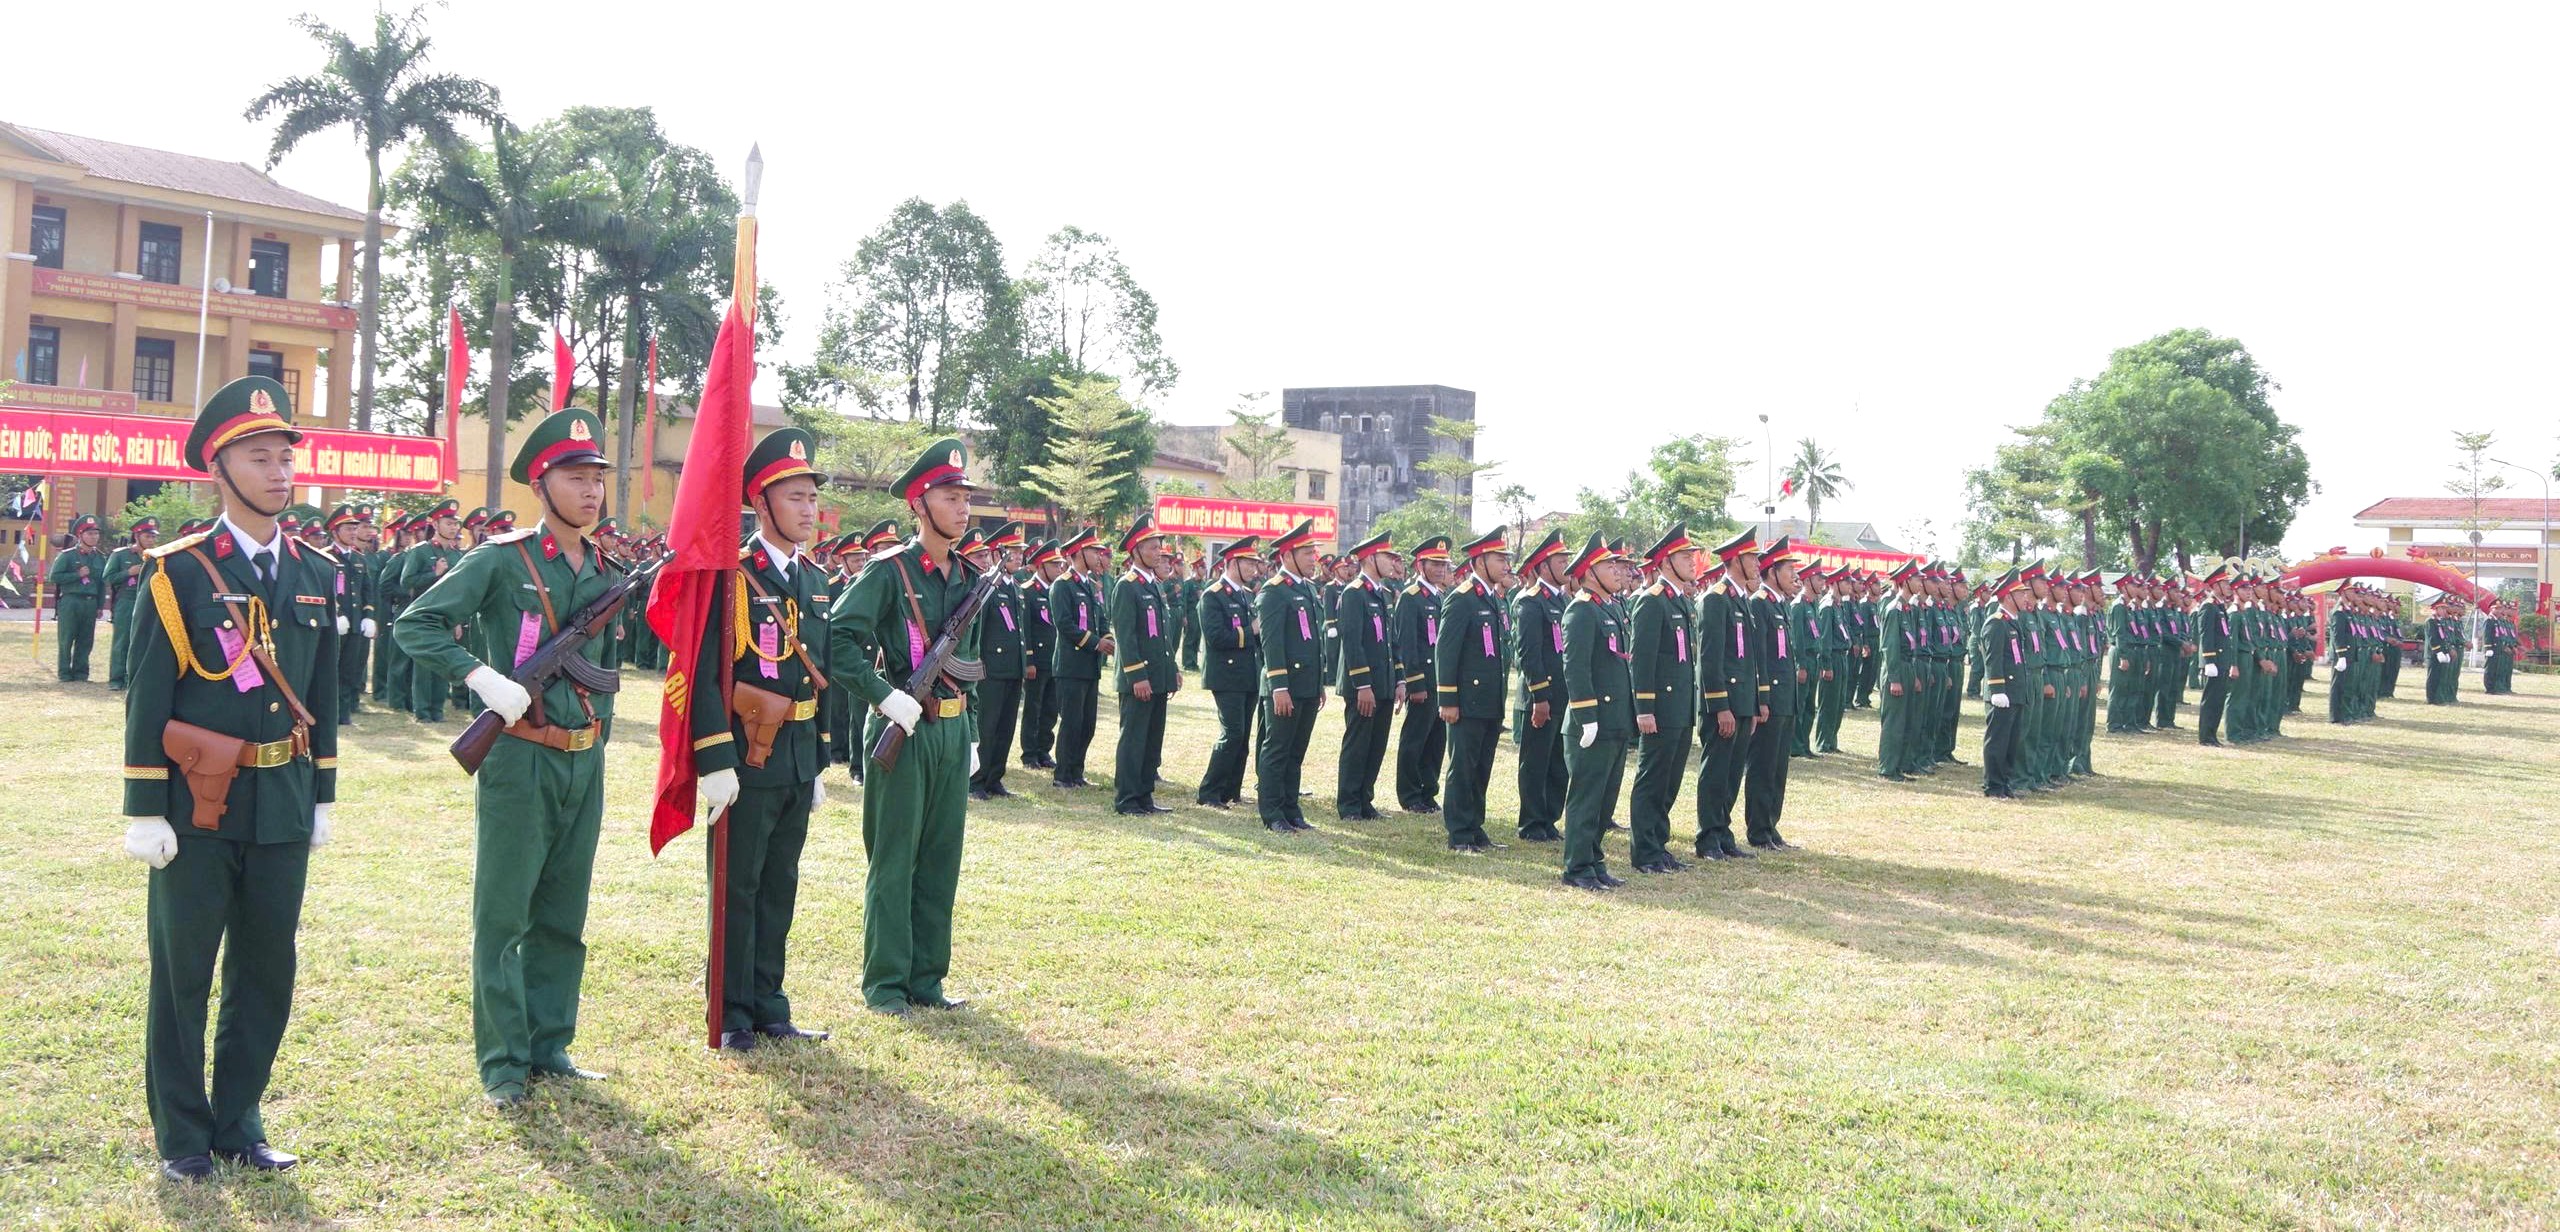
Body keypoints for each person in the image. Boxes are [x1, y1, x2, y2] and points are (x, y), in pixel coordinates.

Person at [119, 376, 338, 1182]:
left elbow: (323, 693)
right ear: (218, 469)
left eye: (285, 457)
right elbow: (148, 695)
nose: (279, 473)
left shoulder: (316, 569)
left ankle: (240, 1122)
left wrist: (323, 792)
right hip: (196, 805)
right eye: (259, 458)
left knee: (266, 968)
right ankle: (182, 1135)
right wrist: (145, 806)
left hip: (281, 801)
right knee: (184, 972)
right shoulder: (178, 572)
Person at [396, 409, 622, 1106]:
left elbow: (605, 670)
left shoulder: (609, 569)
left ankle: (550, 1044)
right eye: (575, 478)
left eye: (597, 479)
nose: (591, 491)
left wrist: (599, 734)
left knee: (564, 910)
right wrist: (480, 678)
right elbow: (417, 624)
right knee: (504, 915)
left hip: (583, 759)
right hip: (519, 757)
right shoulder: (501, 559)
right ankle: (503, 1062)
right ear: (540, 483)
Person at [685, 428, 835, 1052]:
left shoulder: (814, 579)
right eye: (795, 497)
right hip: (747, 757)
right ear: (760, 502)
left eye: (811, 497)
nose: (808, 509)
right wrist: (715, 760)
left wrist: (819, 757)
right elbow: (703, 673)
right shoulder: (733, 577)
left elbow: (819, 676)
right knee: (737, 888)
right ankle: (732, 1011)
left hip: (795, 756)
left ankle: (771, 1005)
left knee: (780, 885)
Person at [826, 437, 985, 1016]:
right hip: (903, 728)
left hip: (950, 733)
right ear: (919, 504)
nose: (962, 508)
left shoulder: (969, 576)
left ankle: (926, 979)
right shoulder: (888, 571)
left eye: (965, 497)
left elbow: (971, 662)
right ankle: (886, 983)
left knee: (942, 858)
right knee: (894, 859)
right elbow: (836, 640)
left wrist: (971, 732)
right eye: (950, 497)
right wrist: (884, 695)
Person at [1559, 534, 1632, 890]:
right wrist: (1587, 717)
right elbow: (1576, 669)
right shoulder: (1581, 609)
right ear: (1590, 572)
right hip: (1592, 721)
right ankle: (1577, 867)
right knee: (1586, 798)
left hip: (1615, 718)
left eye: (1617, 565)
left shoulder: (1611, 607)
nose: (1617, 570)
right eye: (1608, 565)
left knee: (1605, 800)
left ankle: (1594, 860)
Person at [1435, 529, 1513, 853]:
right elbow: (1446, 651)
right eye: (1500, 559)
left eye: (1507, 559)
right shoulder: (1462, 597)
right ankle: (1459, 834)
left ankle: (1475, 826)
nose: (1506, 565)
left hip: (1490, 700)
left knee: (1482, 767)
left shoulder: (1493, 598)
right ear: (1480, 561)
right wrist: (1448, 699)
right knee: (1463, 768)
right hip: (1467, 701)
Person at [1624, 524, 1696, 873]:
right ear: (1667, 561)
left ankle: (1659, 844)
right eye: (1685, 556)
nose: (1693, 562)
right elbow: (1642, 660)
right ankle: (1644, 852)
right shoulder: (1652, 601)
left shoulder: (1680, 600)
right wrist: (1645, 709)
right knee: (1652, 779)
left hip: (1680, 706)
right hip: (1661, 708)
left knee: (1669, 781)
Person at [1254, 519, 1327, 833]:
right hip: (1285, 686)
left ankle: (1291, 808)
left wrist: (1319, 683)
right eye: (1307, 553)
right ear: (1286, 556)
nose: (1314, 558)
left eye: (1314, 552)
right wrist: (1279, 687)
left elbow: (1313, 641)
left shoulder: (1307, 588)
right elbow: (1272, 644)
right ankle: (1272, 813)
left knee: (1296, 751)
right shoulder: (1274, 591)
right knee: (1278, 749)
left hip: (1307, 683)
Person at [1693, 529, 1762, 860]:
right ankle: (1707, 836)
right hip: (1724, 704)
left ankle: (1723, 832)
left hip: (1743, 702)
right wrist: (1721, 706)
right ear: (1736, 560)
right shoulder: (1715, 599)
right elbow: (1710, 659)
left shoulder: (1741, 598)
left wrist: (1753, 704)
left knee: (1733, 772)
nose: (1758, 564)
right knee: (1716, 771)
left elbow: (1748, 658)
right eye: (1752, 558)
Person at [1110, 515, 1179, 815]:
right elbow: (1126, 636)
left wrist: (1171, 669)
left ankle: (1144, 795)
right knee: (1134, 739)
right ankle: (1127, 798)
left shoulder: (1154, 585)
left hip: (1158, 676)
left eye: (1159, 546)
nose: (1158, 552)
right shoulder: (1127, 586)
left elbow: (1162, 635)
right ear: (1136, 550)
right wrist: (1137, 675)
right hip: (1138, 679)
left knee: (1152, 740)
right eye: (1152, 547)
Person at [1334, 531, 1403, 821]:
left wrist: (1400, 679)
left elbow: (1391, 641)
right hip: (1363, 685)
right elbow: (1352, 642)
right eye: (1387, 556)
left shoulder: (1382, 593)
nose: (1392, 561)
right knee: (1358, 744)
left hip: (1383, 682)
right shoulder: (1354, 593)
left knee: (1376, 745)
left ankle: (1365, 800)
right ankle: (1349, 803)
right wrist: (1363, 684)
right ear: (1370, 558)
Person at [1509, 530, 1570, 844]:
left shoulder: (1563, 600)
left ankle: (1549, 818)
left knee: (1558, 763)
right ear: (1544, 566)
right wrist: (1540, 695)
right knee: (1535, 762)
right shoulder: (1530, 601)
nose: (1566, 566)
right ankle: (1532, 822)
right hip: (1540, 696)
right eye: (1560, 561)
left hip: (1562, 695)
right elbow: (1529, 653)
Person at [1195, 535, 1264, 809]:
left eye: (1255, 564)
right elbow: (1216, 637)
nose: (1254, 569)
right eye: (1249, 563)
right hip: (1226, 675)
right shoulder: (1213, 595)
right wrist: (1251, 630)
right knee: (1232, 733)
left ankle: (1230, 790)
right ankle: (1209, 791)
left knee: (1243, 736)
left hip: (1248, 674)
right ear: (1233, 562)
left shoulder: (1246, 595)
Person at [1744, 537, 1803, 851]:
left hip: (1785, 698)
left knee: (1778, 767)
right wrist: (1762, 698)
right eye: (1788, 569)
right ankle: (1758, 830)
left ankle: (1771, 826)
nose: (1795, 575)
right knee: (1763, 767)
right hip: (1771, 699)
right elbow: (1760, 657)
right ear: (1772, 571)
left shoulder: (1780, 604)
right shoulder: (1760, 603)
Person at [963, 523, 1029, 800]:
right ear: (996, 553)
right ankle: (976, 781)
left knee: (1005, 727)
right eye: (1012, 551)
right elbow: (976, 630)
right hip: (990, 669)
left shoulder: (1015, 587)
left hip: (1012, 668)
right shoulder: (987, 585)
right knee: (987, 727)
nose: (1018, 556)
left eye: (1020, 551)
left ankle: (994, 777)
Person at [1046, 528, 1114, 789]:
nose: (1098, 556)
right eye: (1093, 551)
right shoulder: (1062, 585)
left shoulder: (1090, 585)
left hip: (1090, 665)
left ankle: (1077, 771)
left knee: (1087, 724)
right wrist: (1096, 643)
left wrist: (1108, 637)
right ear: (1079, 553)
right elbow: (1064, 624)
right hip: (1071, 665)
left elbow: (1101, 618)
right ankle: (1063, 775)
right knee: (1072, 722)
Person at [1393, 536, 1451, 813]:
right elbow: (1406, 644)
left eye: (1443, 564)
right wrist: (1414, 682)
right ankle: (1410, 793)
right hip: (1422, 679)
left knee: (1436, 739)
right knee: (1416, 737)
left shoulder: (1439, 596)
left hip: (1440, 681)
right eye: (1435, 564)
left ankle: (1428, 790)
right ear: (1420, 565)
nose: (1440, 569)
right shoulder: (1411, 597)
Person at [322, 504, 378, 721]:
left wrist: (368, 616)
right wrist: (334, 613)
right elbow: (322, 590)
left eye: (355, 528)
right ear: (335, 532)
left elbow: (367, 591)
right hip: (333, 624)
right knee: (330, 670)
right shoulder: (325, 557)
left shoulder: (359, 559)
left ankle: (344, 713)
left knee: (350, 670)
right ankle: (328, 712)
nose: (353, 533)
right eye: (348, 529)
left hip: (355, 624)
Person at [1978, 568, 2028, 799]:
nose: (2026, 597)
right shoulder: (1996, 623)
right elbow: (1993, 659)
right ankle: (1994, 785)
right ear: (2008, 596)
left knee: (2011, 741)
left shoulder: (2012, 622)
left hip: (2015, 691)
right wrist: (1997, 689)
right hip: (2003, 692)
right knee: (1998, 740)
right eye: (2021, 594)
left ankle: (2005, 783)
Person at [1017, 537, 1064, 773]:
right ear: (1042, 565)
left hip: (1054, 659)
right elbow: (1025, 629)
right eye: (1055, 564)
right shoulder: (1027, 591)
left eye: (1060, 564)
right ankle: (1029, 753)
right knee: (1033, 708)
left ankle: (1044, 749)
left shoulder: (1057, 591)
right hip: (1037, 660)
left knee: (1050, 708)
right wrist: (1029, 660)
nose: (1060, 568)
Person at [49, 513, 109, 681]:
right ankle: (64, 673)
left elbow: (102, 583)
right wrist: (77, 575)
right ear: (80, 535)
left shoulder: (100, 557)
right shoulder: (67, 555)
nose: (94, 537)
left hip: (90, 602)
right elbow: (54, 577)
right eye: (90, 533)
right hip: (71, 600)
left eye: (96, 533)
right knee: (66, 638)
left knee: (86, 639)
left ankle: (81, 673)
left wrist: (100, 605)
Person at [104, 515, 160, 690]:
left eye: (153, 537)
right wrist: (128, 573)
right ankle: (116, 679)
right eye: (147, 536)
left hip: (149, 602)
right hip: (127, 601)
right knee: (122, 641)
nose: (151, 540)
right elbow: (108, 577)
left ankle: (134, 679)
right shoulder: (120, 555)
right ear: (137, 536)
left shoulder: (157, 556)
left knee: (143, 642)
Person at [2423, 595, 2467, 704]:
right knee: (2433, 676)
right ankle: (2432, 699)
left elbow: (2445, 637)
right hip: (2434, 653)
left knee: (2442, 676)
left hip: (2444, 652)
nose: (2444, 610)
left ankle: (2441, 697)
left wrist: (2448, 649)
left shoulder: (2441, 621)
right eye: (2442, 608)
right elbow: (2433, 638)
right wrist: (2438, 651)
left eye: (2445, 608)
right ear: (2436, 608)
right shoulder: (2431, 621)